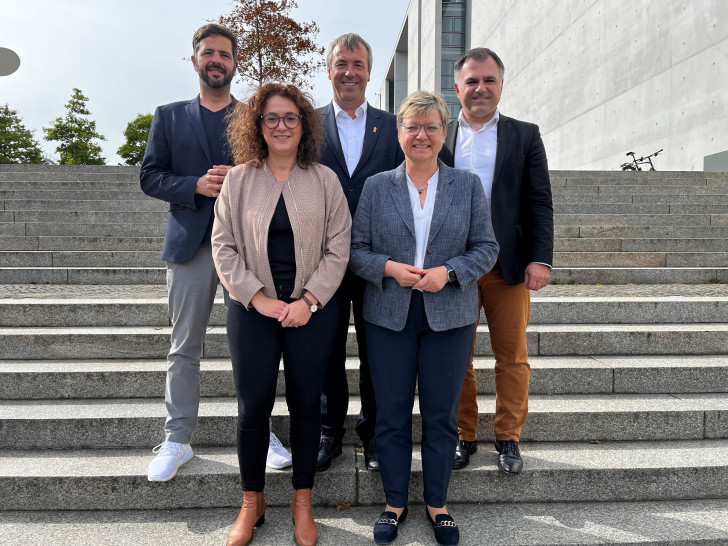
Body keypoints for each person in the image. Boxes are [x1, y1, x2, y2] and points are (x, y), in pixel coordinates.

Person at [140, 24, 291, 482]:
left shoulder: (254, 116)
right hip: (190, 247)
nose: (216, 61)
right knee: (184, 346)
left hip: (246, 248)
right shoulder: (168, 116)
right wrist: (195, 186)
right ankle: (178, 437)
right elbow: (150, 176)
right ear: (195, 60)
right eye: (208, 53)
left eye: (224, 55)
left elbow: (274, 173)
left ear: (234, 62)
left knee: (254, 348)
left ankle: (259, 433)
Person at [349, 91, 499, 546]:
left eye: (432, 126)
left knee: (440, 416)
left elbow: (487, 249)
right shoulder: (377, 187)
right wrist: (390, 268)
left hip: (449, 316)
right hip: (388, 315)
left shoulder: (467, 185)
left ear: (443, 133)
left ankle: (438, 504)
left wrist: (450, 272)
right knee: (391, 415)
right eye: (413, 126)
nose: (422, 135)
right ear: (399, 133)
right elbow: (356, 252)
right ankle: (395, 503)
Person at [212, 83, 351, 546]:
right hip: (252, 310)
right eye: (271, 117)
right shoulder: (238, 180)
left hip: (312, 311)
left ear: (304, 124)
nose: (281, 125)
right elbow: (223, 247)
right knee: (253, 408)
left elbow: (339, 250)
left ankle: (302, 500)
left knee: (307, 406)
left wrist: (307, 301)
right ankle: (252, 502)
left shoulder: (325, 180)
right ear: (258, 125)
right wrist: (257, 298)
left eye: (290, 117)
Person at [441, 47, 554, 473]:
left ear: (501, 85)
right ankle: (463, 435)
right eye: (471, 81)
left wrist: (540, 258)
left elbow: (539, 202)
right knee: (458, 357)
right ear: (457, 88)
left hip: (509, 267)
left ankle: (508, 437)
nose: (480, 88)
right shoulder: (440, 133)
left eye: (489, 80)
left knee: (512, 356)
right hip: (455, 268)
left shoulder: (525, 135)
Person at [316, 33, 404, 472]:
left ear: (369, 72)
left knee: (378, 352)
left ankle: (373, 433)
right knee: (325, 351)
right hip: (321, 262)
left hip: (378, 262)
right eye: (342, 64)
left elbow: (433, 166)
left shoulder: (394, 127)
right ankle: (329, 431)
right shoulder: (306, 124)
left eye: (358, 64)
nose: (350, 72)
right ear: (328, 69)